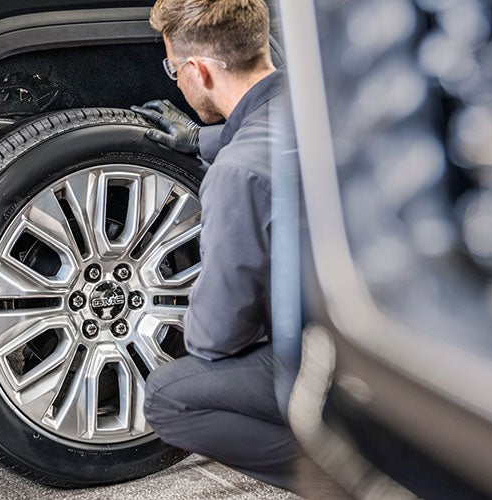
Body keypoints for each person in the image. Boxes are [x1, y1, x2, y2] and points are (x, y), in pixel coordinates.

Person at [131, 0, 300, 490]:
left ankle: (364, 475)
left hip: (340, 365)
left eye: (175, 69)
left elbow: (215, 339)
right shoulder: (334, 103)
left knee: (171, 397)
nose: (176, 81)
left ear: (199, 70)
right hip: (412, 338)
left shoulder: (238, 173)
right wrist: (208, 140)